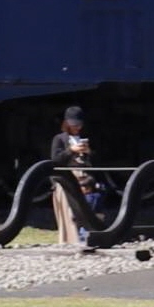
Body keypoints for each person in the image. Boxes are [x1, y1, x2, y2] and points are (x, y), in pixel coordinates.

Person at [44, 106, 98, 250]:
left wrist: (88, 152)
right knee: (70, 213)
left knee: (85, 210)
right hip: (66, 179)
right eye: (74, 125)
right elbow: (55, 160)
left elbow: (93, 162)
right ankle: (71, 240)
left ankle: (86, 237)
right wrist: (71, 151)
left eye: (79, 125)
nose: (77, 128)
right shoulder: (59, 139)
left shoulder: (84, 138)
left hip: (83, 178)